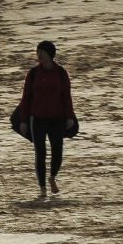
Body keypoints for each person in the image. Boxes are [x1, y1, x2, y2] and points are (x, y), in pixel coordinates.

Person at [17, 40, 76, 199]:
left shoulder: (61, 73)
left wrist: (70, 117)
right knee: (40, 153)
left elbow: (66, 97)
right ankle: (42, 187)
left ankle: (52, 178)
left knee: (58, 152)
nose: (39, 57)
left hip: (57, 118)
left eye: (41, 54)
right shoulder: (33, 73)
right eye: (38, 54)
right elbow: (26, 98)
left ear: (50, 55)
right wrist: (23, 121)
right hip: (37, 119)